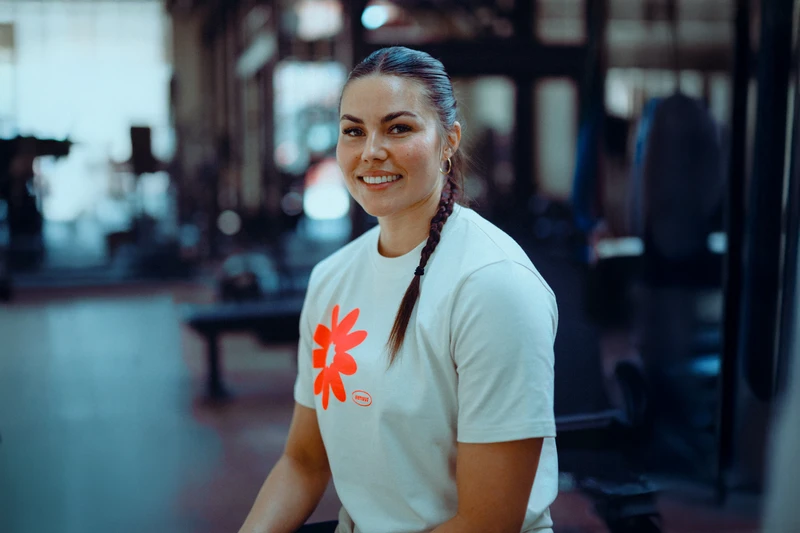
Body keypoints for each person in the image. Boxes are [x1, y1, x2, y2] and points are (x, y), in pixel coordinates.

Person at [238, 46, 558, 533]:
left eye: (398, 128)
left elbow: (487, 523)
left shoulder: (494, 288)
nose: (370, 151)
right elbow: (303, 462)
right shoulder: (332, 278)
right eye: (353, 131)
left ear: (448, 140)